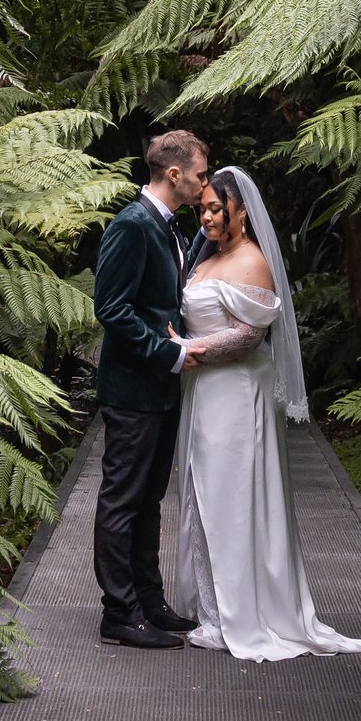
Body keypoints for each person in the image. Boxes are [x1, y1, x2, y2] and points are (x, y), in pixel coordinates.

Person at [171, 165, 361, 661]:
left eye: (216, 208)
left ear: (242, 211)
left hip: (236, 391)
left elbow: (248, 338)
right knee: (204, 494)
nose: (206, 218)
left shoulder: (252, 262)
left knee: (233, 498)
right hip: (204, 390)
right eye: (202, 209)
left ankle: (242, 614)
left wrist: (186, 348)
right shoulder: (209, 258)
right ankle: (215, 612)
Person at [88, 129, 210, 648]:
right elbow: (111, 309)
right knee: (123, 500)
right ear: (175, 174)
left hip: (159, 389)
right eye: (201, 175)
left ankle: (149, 601)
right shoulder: (131, 225)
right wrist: (170, 353)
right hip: (132, 390)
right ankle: (118, 613)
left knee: (150, 499)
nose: (205, 184)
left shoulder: (169, 226)